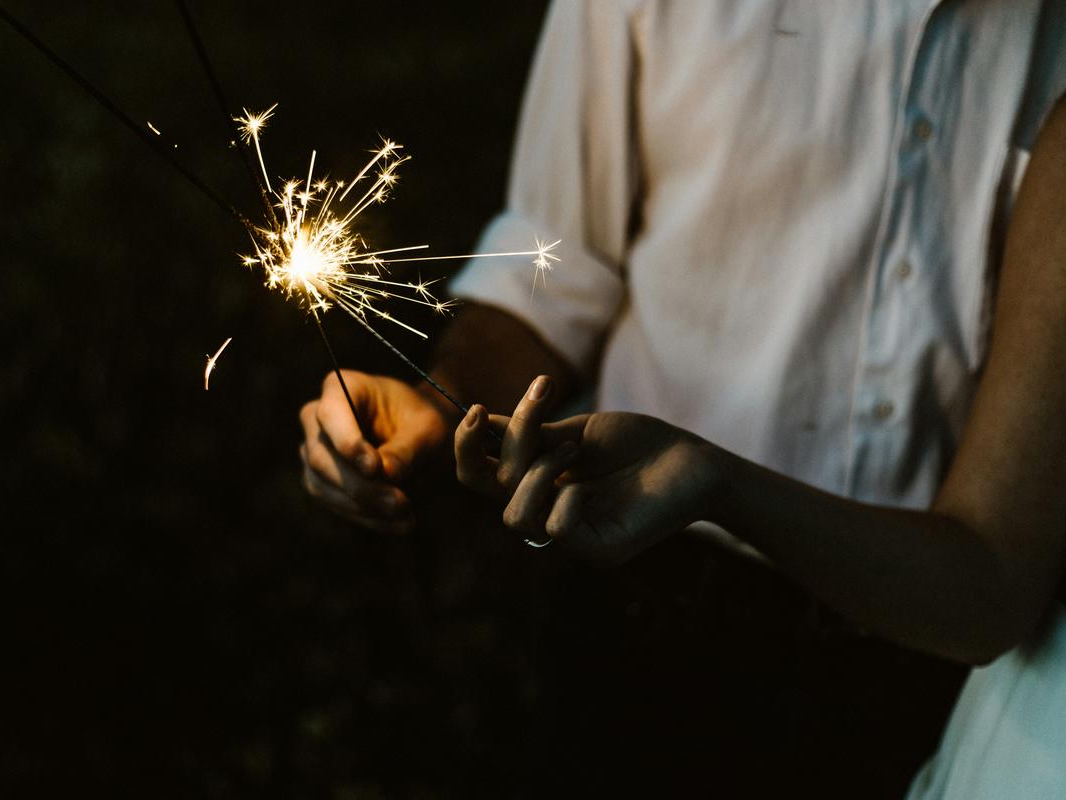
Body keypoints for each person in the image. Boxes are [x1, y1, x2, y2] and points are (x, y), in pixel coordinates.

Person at [299, 2, 1066, 796]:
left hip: (934, 661)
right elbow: (556, 266)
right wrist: (440, 399)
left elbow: (993, 562)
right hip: (647, 595)